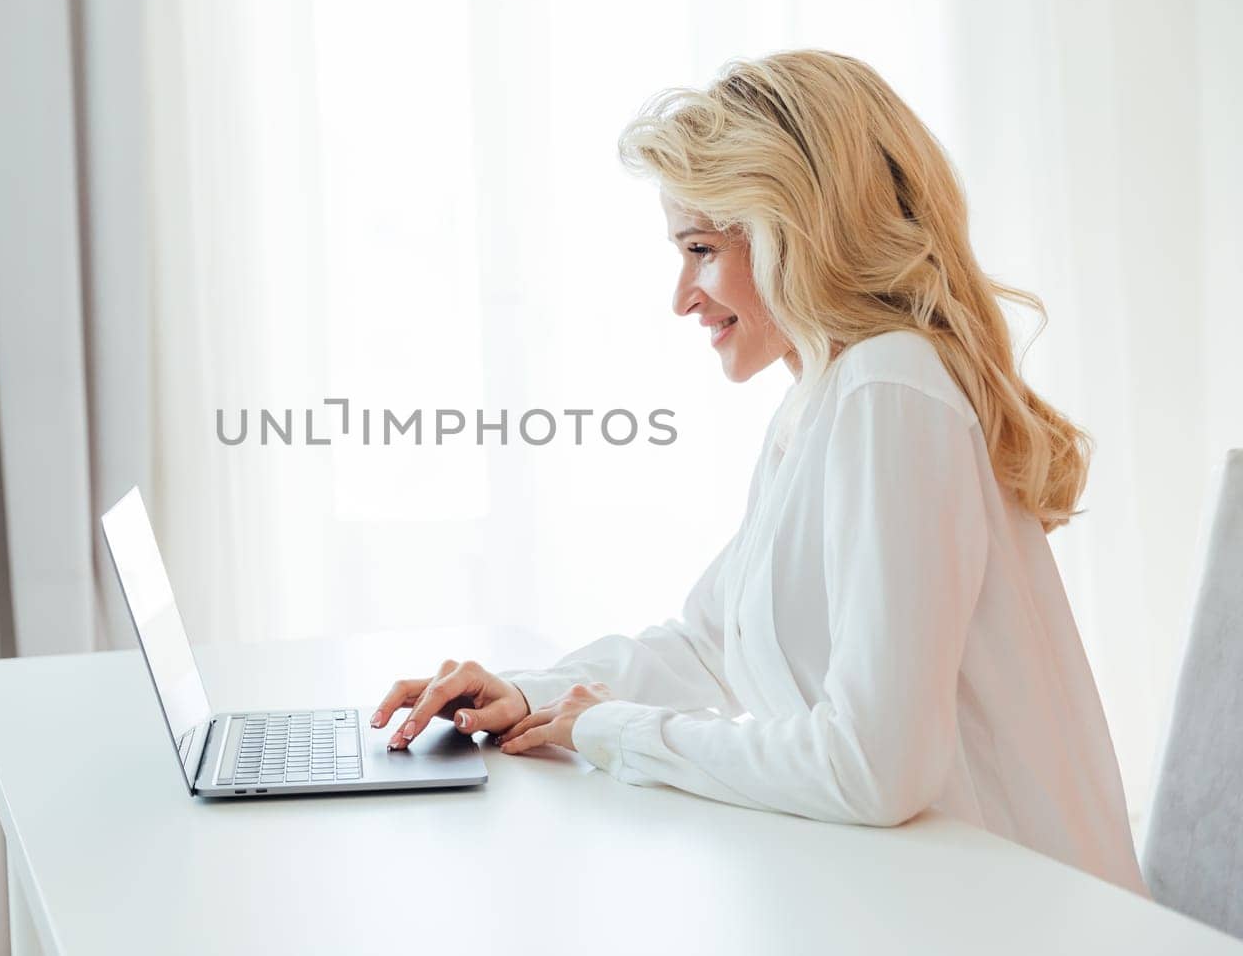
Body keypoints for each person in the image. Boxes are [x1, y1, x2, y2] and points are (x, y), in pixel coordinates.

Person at [370, 50, 1147, 895]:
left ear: (798, 232)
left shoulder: (891, 385)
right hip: (922, 897)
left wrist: (617, 730)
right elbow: (716, 641)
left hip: (1018, 919)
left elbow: (876, 766)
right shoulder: (825, 397)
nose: (682, 296)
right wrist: (531, 693)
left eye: (701, 248)